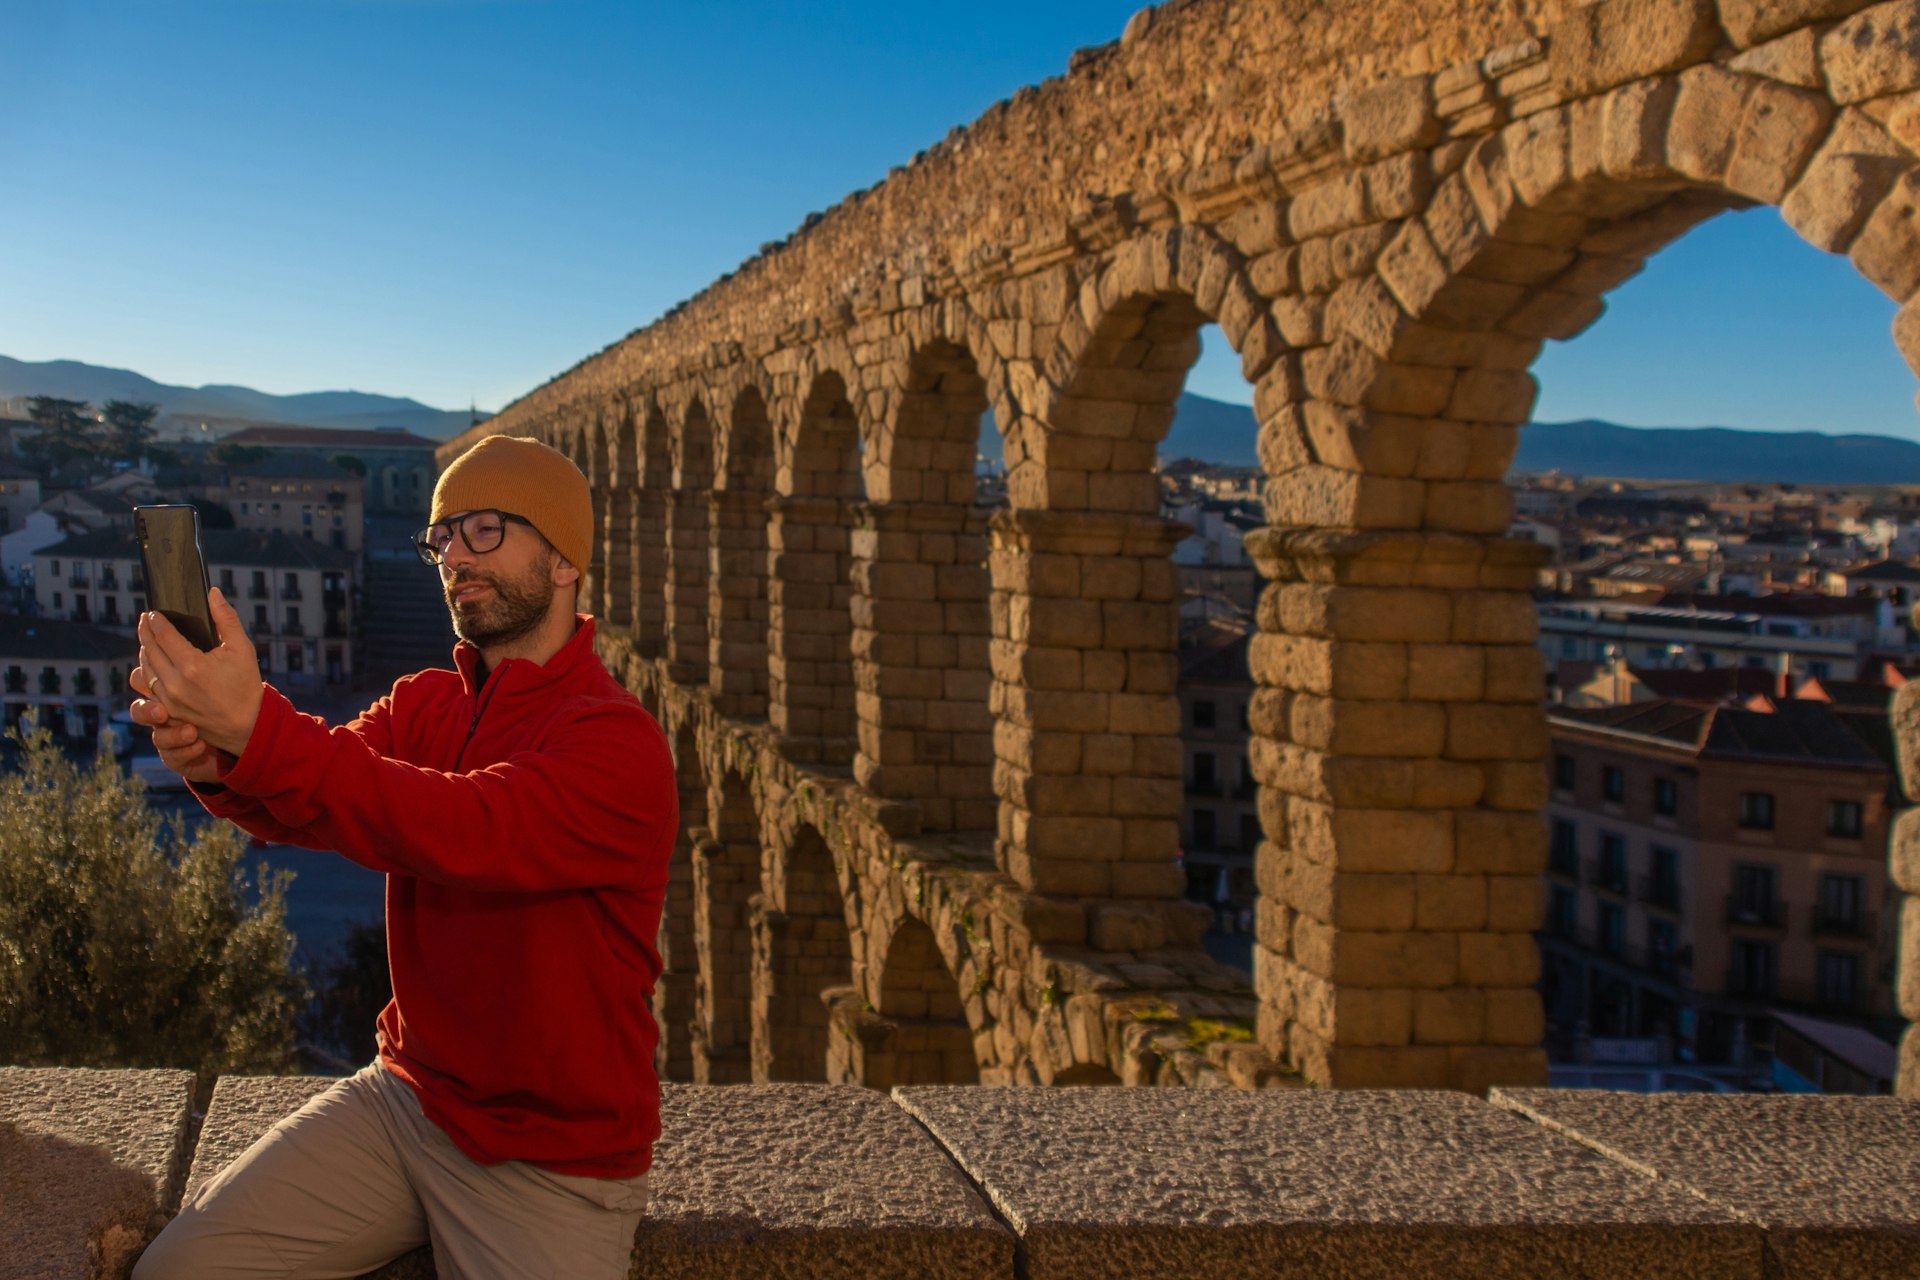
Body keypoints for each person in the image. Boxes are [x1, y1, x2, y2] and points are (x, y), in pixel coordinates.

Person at [128, 435, 678, 1280]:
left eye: (485, 529)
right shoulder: (423, 705)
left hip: (553, 1166)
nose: (454, 555)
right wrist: (219, 759)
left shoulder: (617, 746)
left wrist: (260, 729)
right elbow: (309, 802)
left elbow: (463, 826)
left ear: (566, 560)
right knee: (179, 1272)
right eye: (443, 536)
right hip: (404, 1102)